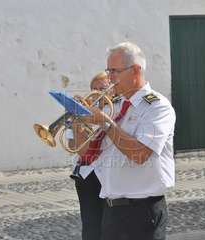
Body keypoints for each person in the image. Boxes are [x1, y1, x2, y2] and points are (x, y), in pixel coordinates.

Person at [81, 42, 176, 240]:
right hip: (111, 210)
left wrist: (106, 124)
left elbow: (139, 154)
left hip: (142, 211)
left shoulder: (156, 106)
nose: (110, 78)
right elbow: (86, 154)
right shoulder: (114, 105)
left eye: (114, 71)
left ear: (135, 70)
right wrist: (76, 120)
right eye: (109, 71)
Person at [69, 71, 114, 240]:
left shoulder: (113, 112)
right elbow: (75, 147)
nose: (96, 92)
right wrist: (76, 121)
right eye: (93, 88)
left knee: (107, 227)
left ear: (112, 89)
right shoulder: (84, 113)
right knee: (90, 227)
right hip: (86, 176)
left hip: (106, 175)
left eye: (101, 88)